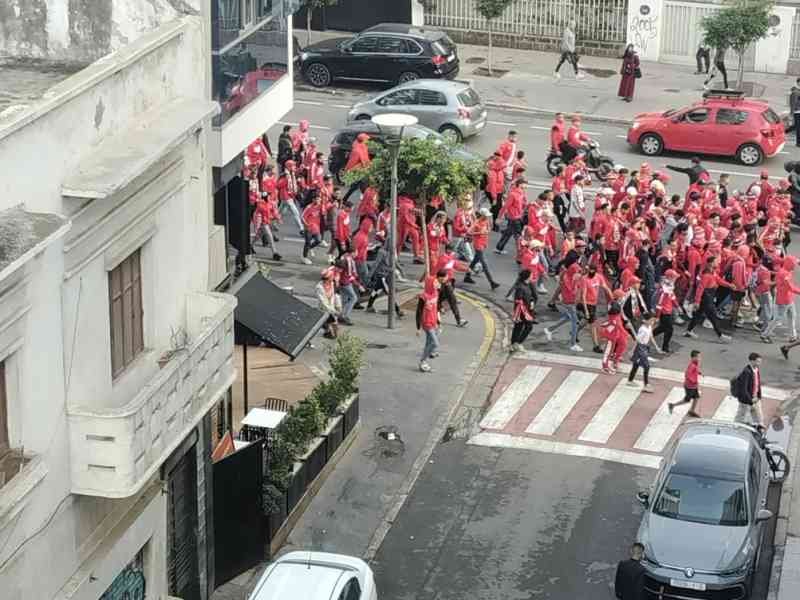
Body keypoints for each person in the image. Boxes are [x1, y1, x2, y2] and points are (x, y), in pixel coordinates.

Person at [465, 208, 500, 290]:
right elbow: (469, 232)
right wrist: (479, 233)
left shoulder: (486, 221)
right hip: (478, 245)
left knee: (474, 261)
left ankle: (467, 276)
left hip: (483, 243)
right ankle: (491, 282)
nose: (488, 217)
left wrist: (487, 231)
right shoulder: (476, 223)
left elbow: (488, 229)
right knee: (484, 264)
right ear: (482, 215)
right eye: (486, 216)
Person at [416, 274, 442, 372]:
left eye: (436, 282)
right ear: (430, 284)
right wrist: (418, 328)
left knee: (428, 343)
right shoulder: (423, 297)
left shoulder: (436, 293)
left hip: (434, 322)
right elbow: (418, 312)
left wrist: (439, 322)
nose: (436, 284)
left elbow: (436, 308)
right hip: (426, 323)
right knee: (435, 343)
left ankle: (424, 363)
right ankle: (422, 361)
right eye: (435, 282)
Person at [627, 313, 656, 392]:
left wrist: (657, 347)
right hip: (640, 348)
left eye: (653, 320)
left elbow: (651, 336)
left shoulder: (649, 327)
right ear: (645, 321)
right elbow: (637, 340)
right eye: (651, 320)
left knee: (636, 364)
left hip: (645, 347)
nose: (652, 322)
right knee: (646, 366)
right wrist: (632, 350)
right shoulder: (642, 329)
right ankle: (646, 385)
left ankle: (630, 380)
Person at [668, 350, 703, 417]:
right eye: (698, 357)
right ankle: (672, 405)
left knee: (696, 397)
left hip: (694, 386)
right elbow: (687, 374)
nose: (700, 358)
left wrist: (698, 372)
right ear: (693, 358)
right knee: (687, 400)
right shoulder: (692, 365)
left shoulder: (696, 363)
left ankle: (692, 410)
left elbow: (695, 370)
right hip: (689, 386)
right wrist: (693, 381)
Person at [733, 353, 763, 427]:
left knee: (759, 417)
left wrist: (759, 396)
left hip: (755, 398)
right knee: (740, 416)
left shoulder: (756, 369)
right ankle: (735, 428)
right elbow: (744, 389)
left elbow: (758, 382)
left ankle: (759, 429)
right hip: (747, 400)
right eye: (758, 362)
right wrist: (750, 400)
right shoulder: (746, 372)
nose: (759, 364)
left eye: (760, 362)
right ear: (752, 361)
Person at [510, 270, 536, 352]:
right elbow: (518, 301)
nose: (532, 276)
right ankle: (517, 343)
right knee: (528, 326)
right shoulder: (521, 287)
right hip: (522, 311)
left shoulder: (529, 285)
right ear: (527, 277)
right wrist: (524, 312)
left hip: (527, 310)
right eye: (531, 275)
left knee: (518, 327)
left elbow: (533, 296)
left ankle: (514, 344)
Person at [343, 132, 371, 203]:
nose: (368, 141)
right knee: (362, 186)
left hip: (363, 170)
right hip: (360, 171)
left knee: (358, 186)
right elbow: (352, 162)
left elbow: (366, 158)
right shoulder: (357, 150)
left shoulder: (363, 146)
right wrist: (347, 170)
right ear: (363, 140)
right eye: (366, 139)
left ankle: (345, 199)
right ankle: (365, 200)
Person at [316, 267, 342, 339]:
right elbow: (323, 302)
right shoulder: (319, 287)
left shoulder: (332, 284)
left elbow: (335, 295)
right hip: (325, 309)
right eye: (332, 276)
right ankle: (333, 335)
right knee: (333, 323)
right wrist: (333, 311)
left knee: (331, 322)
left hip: (331, 307)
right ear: (328, 278)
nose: (333, 277)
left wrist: (338, 306)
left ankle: (331, 333)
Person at [790, 78, 800, 148]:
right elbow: (793, 103)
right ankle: (798, 143)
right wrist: (792, 113)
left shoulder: (798, 91)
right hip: (797, 112)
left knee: (796, 127)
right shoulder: (795, 92)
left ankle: (784, 132)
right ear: (798, 83)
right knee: (798, 128)